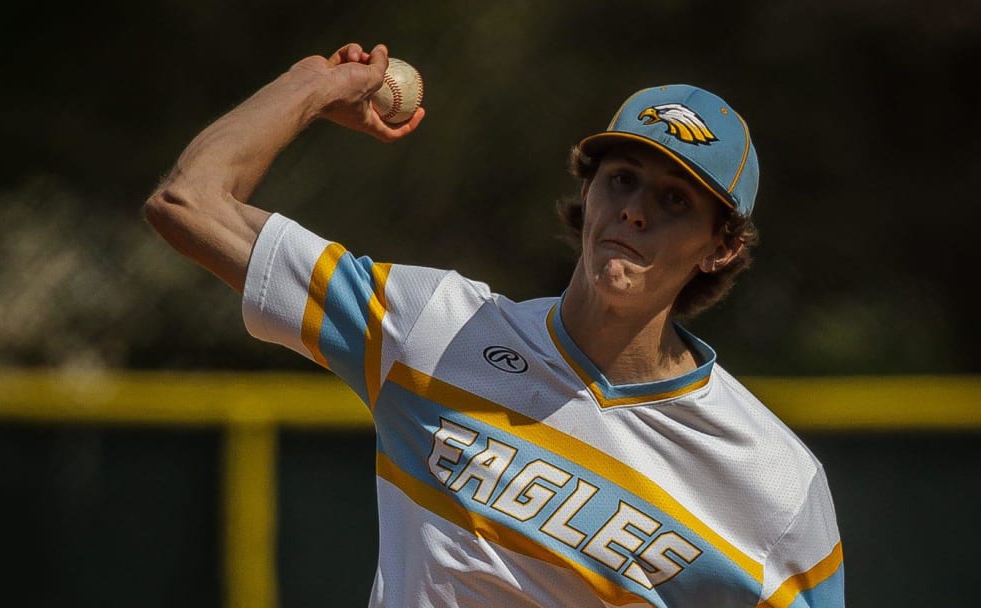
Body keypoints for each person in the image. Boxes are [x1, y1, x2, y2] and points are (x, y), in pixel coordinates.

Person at [145, 42, 844, 608]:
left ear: (721, 247)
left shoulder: (775, 484)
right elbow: (188, 203)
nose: (634, 211)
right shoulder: (431, 331)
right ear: (588, 190)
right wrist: (307, 88)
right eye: (621, 179)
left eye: (674, 200)